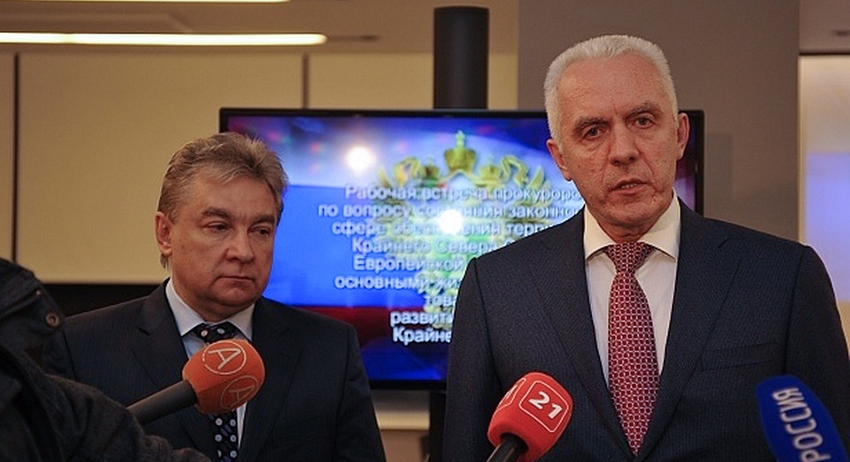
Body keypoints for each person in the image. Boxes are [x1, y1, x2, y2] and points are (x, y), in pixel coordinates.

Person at [443, 34, 850, 461]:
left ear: (679, 135)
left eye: (642, 121)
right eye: (592, 131)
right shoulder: (496, 288)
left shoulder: (783, 278)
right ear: (561, 158)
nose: (623, 151)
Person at [43, 132, 387, 462]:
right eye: (219, 227)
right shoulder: (81, 348)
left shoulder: (330, 350)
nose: (244, 251)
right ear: (165, 233)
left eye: (261, 231)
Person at [0, 257, 209, 462]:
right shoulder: (76, 342)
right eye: (216, 234)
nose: (230, 252)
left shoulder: (29, 383)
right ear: (164, 237)